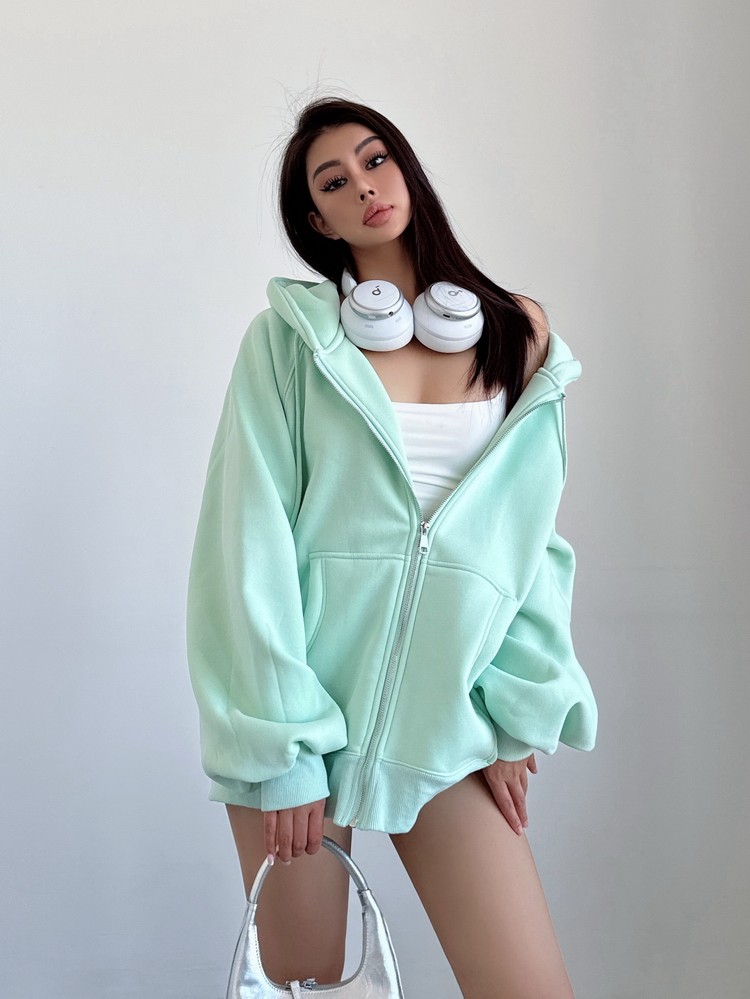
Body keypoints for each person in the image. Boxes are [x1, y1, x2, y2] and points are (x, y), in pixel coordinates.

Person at [186, 96, 598, 999]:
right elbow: (246, 540)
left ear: (406, 169)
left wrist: (517, 713)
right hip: (299, 719)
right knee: (306, 988)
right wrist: (285, 749)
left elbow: (534, 542)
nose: (365, 187)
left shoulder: (518, 334)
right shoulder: (289, 346)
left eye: (376, 161)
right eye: (334, 181)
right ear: (316, 220)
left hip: (447, 717)